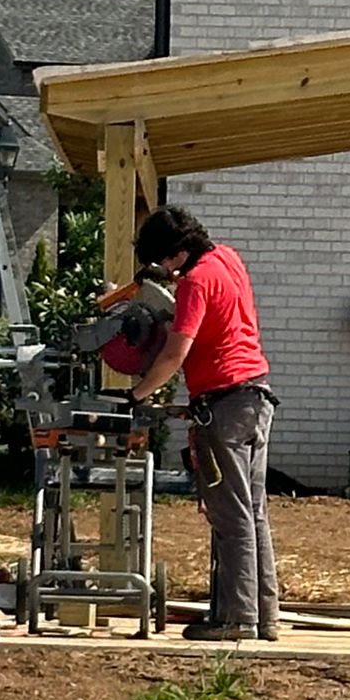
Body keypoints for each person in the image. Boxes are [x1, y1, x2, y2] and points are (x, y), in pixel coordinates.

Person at [127, 204, 279, 643]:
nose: (164, 270)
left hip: (224, 405)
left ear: (176, 253)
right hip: (255, 394)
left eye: (162, 261)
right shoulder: (227, 258)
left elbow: (175, 354)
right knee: (255, 514)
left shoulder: (195, 282)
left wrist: (136, 395)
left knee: (231, 517)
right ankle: (263, 618)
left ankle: (236, 620)